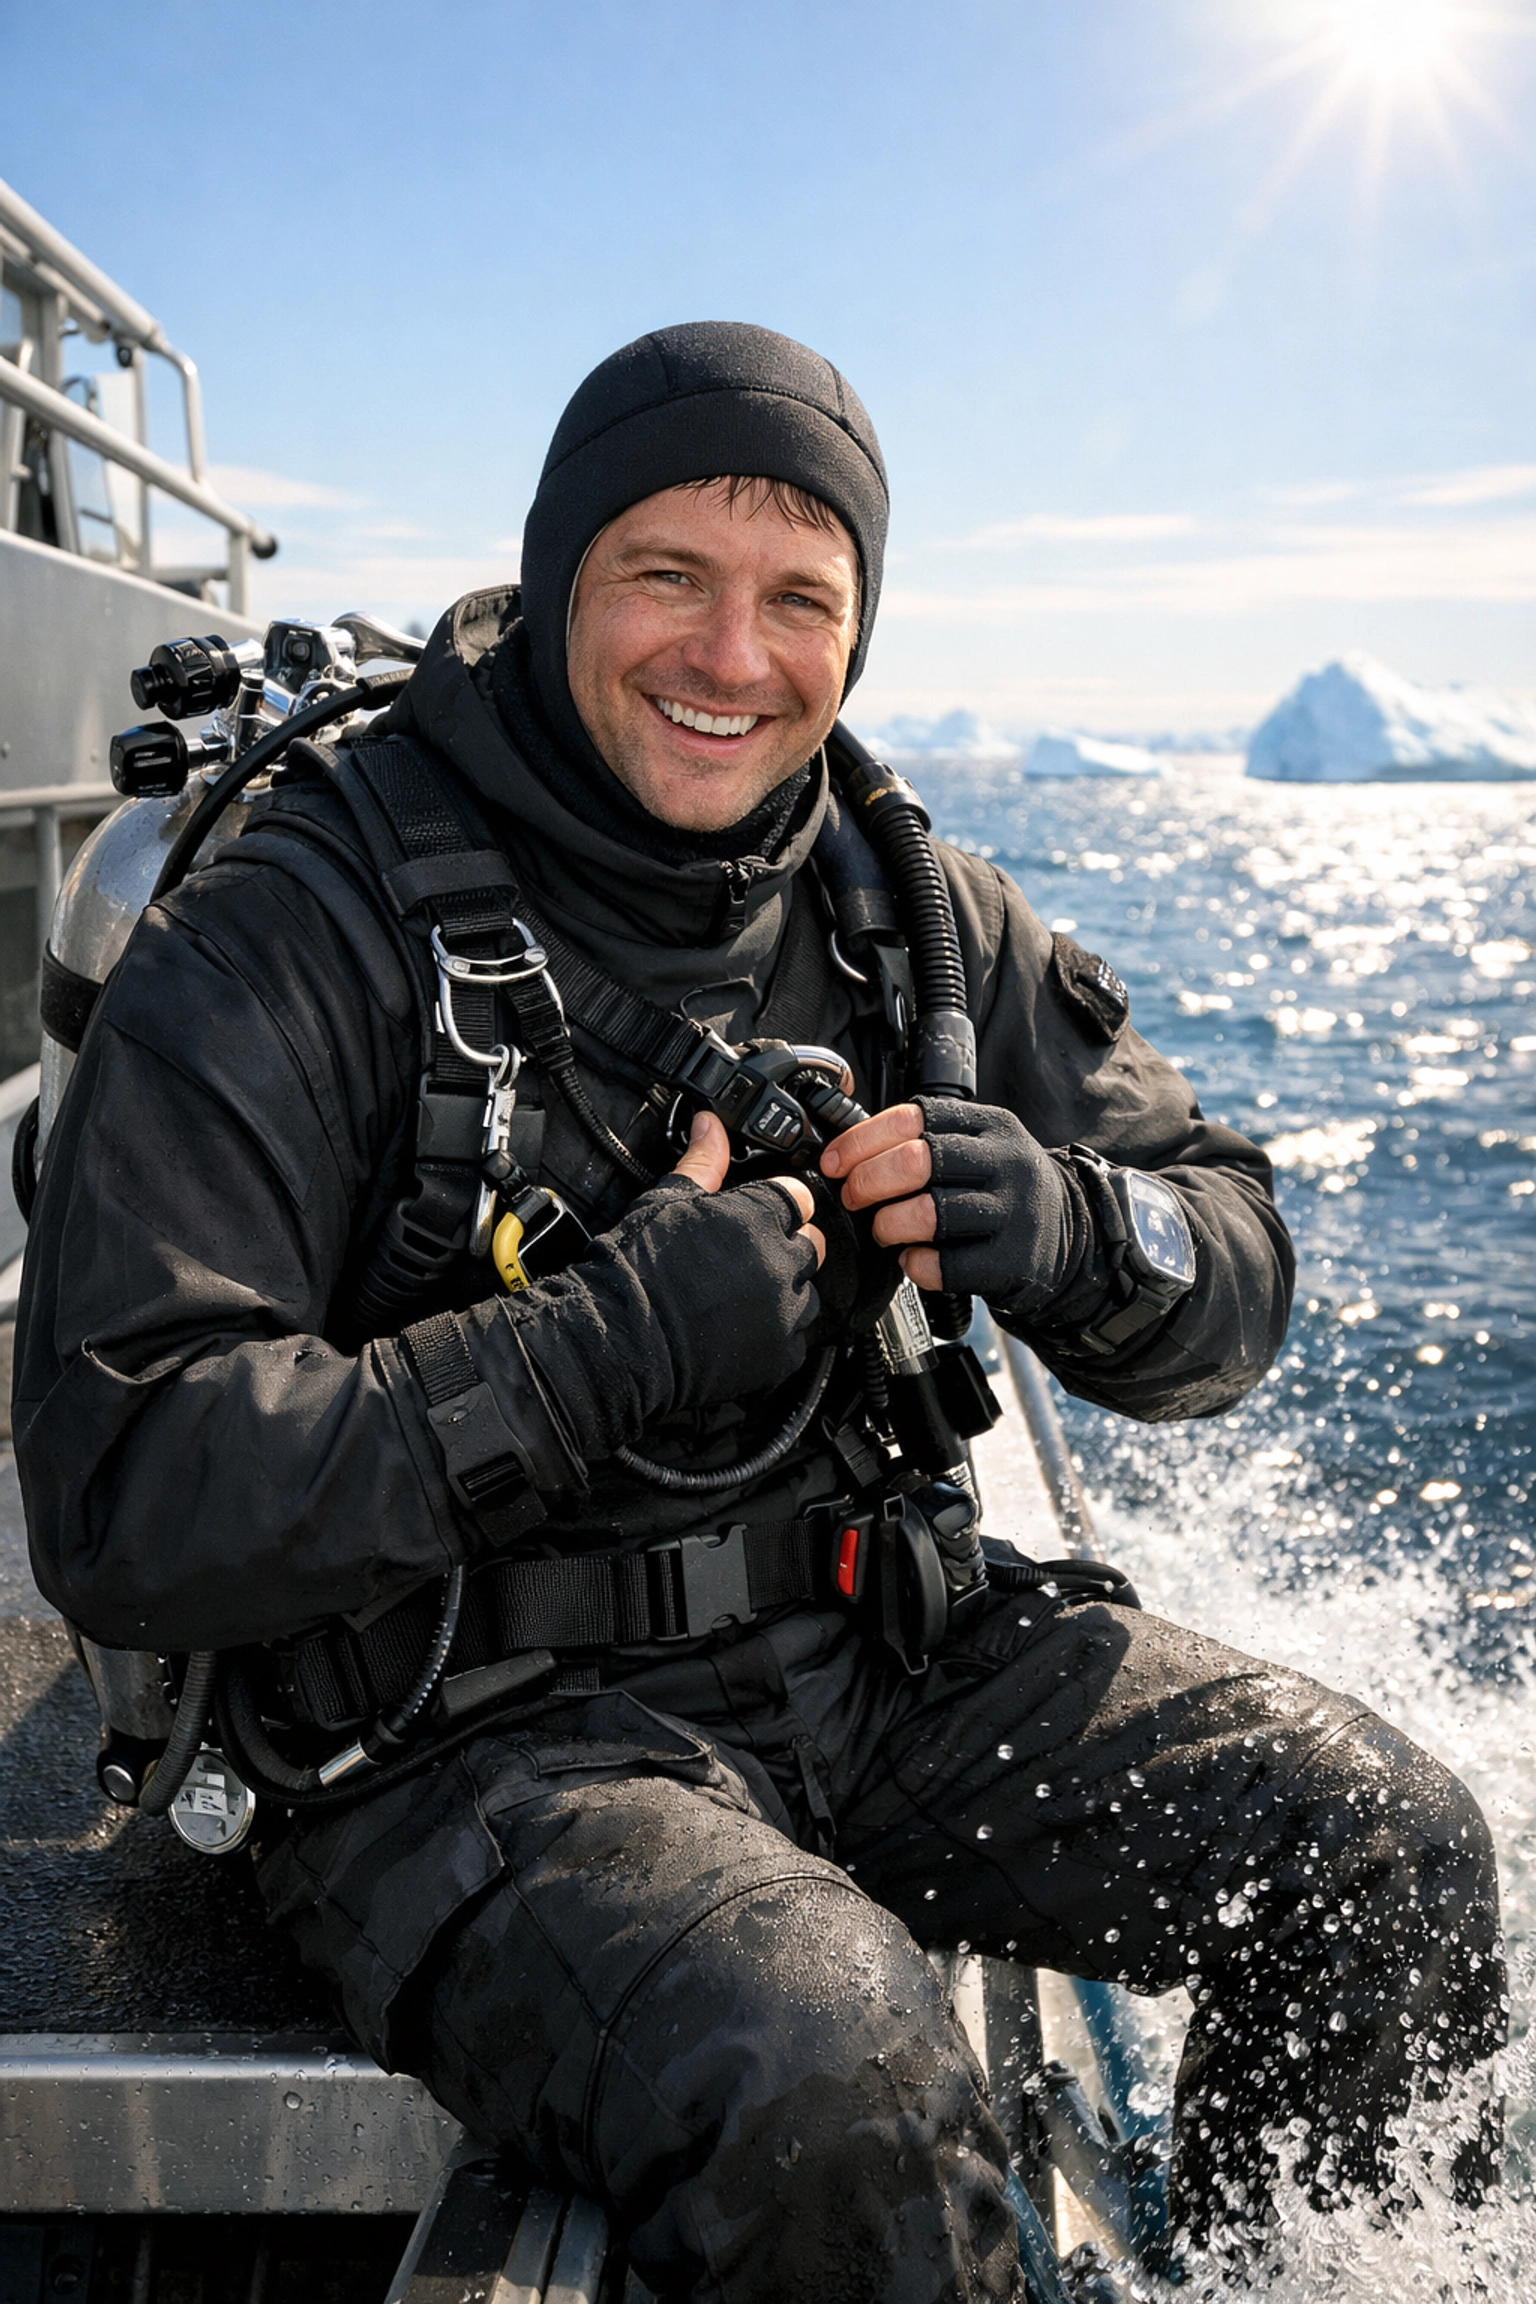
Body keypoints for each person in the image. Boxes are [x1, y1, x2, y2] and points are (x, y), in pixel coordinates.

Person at [16, 324, 1503, 2301]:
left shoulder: (915, 911)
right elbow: (128, 1489)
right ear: (562, 585)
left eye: (801, 597)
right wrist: (602, 1347)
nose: (734, 658)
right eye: (667, 578)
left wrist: (1066, 1225)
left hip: (887, 1658)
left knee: (1385, 1855)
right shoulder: (305, 925)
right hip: (464, 1738)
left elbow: (1233, 1263)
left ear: (861, 630)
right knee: (840, 2069)